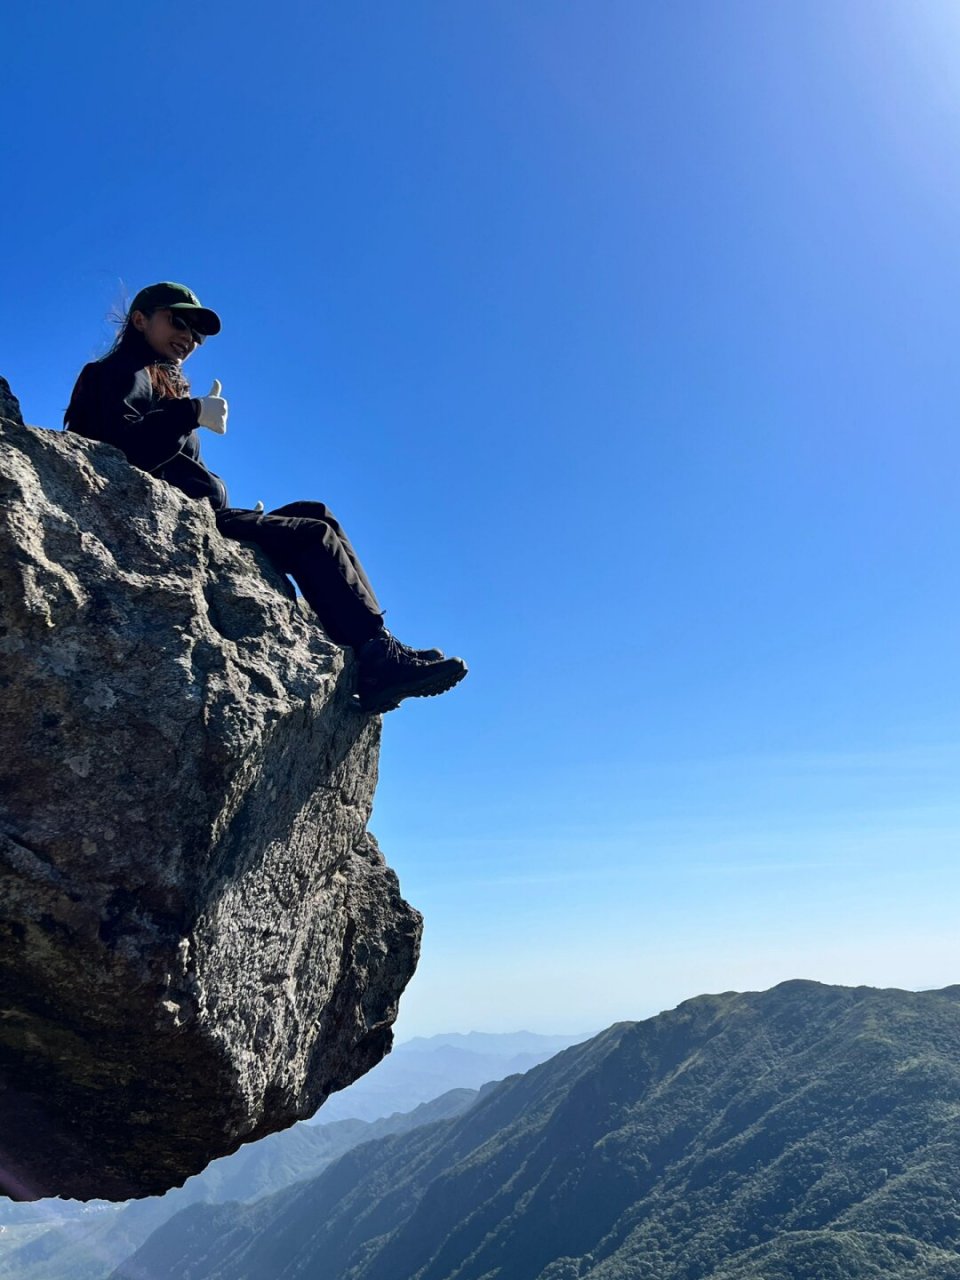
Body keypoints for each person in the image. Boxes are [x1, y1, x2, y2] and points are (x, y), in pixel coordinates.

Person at [64, 281, 468, 714]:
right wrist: (190, 413)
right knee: (311, 534)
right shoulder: (120, 371)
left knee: (315, 513)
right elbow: (119, 449)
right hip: (171, 519)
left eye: (197, 334)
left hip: (201, 511)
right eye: (178, 321)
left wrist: (187, 417)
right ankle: (378, 660)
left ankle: (380, 645)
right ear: (140, 319)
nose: (188, 337)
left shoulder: (149, 375)